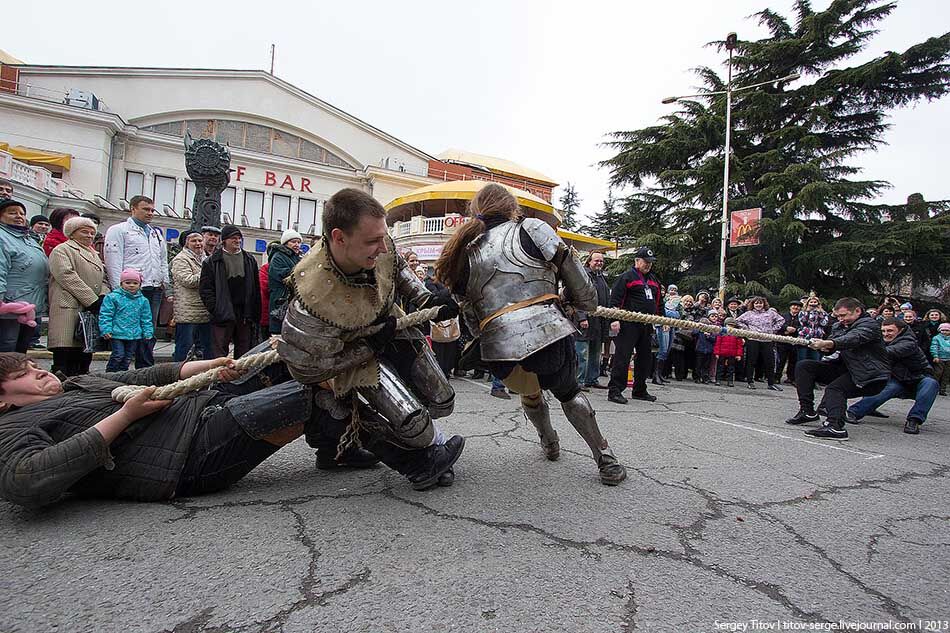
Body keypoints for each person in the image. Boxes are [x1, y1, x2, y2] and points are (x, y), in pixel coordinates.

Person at [0, 352, 461, 507]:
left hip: (201, 410)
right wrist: (124, 417)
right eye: (23, 371)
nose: (38, 370)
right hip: (185, 455)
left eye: (33, 364)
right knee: (318, 390)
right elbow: (27, 481)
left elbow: (148, 376)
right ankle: (418, 462)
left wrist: (214, 365)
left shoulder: (77, 383)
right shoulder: (15, 426)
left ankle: (334, 449)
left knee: (293, 356)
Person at [434, 183, 626, 485]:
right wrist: (581, 305)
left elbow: (470, 316)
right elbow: (577, 278)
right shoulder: (533, 228)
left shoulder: (465, 252)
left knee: (530, 391)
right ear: (512, 207)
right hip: (547, 331)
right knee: (569, 393)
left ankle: (548, 441)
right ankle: (606, 459)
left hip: (499, 346)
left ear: (477, 211)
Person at [275, 188, 464, 487]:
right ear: (339, 237)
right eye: (372, 241)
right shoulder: (310, 298)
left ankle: (352, 450)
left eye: (382, 238)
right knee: (413, 422)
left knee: (442, 398)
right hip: (351, 356)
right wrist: (367, 348)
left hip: (394, 328)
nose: (384, 248)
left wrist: (426, 301)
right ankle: (426, 452)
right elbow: (307, 371)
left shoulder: (381, 244)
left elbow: (397, 269)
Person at [785, 297, 889, 440]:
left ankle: (835, 427)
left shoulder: (870, 325)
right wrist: (822, 346)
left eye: (844, 315)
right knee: (805, 366)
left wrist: (829, 343)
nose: (841, 319)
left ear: (857, 311)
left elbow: (853, 338)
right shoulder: (839, 326)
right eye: (838, 316)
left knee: (835, 389)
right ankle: (807, 412)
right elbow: (832, 348)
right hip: (847, 369)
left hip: (870, 375)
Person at [103, 196, 169, 368]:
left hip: (153, 288)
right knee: (125, 331)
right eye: (145, 209)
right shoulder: (119, 230)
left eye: (152, 210)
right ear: (133, 208)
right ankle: (119, 367)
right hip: (130, 290)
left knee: (148, 330)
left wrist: (165, 284)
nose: (150, 213)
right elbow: (113, 260)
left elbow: (163, 260)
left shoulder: (156, 234)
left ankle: (145, 367)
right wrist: (118, 289)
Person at [846, 318, 939, 434]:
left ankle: (914, 420)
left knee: (931, 384)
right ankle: (854, 412)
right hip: (897, 380)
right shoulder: (879, 341)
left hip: (918, 378)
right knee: (890, 388)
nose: (886, 334)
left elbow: (888, 352)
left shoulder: (909, 342)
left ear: (901, 330)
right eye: (883, 331)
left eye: (890, 331)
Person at [47, 216, 107, 376]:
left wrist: (102, 295)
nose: (89, 236)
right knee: (65, 351)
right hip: (69, 306)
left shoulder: (94, 254)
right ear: (72, 233)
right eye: (84, 232)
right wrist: (91, 300)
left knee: (84, 351)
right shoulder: (62, 250)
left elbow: (103, 278)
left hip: (89, 309)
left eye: (92, 233)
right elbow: (67, 276)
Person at [607, 246, 662, 404]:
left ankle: (639, 390)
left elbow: (659, 302)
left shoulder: (653, 280)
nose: (648, 265)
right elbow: (615, 300)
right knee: (622, 357)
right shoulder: (627, 277)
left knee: (645, 358)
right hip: (628, 323)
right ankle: (615, 390)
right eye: (646, 262)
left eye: (650, 262)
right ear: (637, 261)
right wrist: (614, 319)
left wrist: (662, 320)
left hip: (646, 324)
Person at [199, 225, 261, 359]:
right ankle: (218, 376)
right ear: (224, 240)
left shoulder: (249, 259)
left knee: (245, 349)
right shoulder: (212, 261)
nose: (237, 241)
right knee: (219, 349)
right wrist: (215, 308)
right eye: (233, 238)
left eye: (239, 238)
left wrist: (255, 312)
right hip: (223, 311)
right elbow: (205, 289)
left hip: (244, 312)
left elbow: (256, 288)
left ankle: (242, 377)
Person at [0, 200, 48, 353]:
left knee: (20, 351)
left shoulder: (28, 239)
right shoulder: (2, 238)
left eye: (22, 213)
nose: (18, 216)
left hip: (29, 306)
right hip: (8, 306)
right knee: (7, 351)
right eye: (12, 212)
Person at [100, 269, 154, 372]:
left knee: (128, 358)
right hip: (117, 333)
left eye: (135, 283)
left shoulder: (143, 300)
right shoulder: (113, 298)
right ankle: (110, 373)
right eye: (128, 282)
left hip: (134, 334)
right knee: (118, 355)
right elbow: (106, 314)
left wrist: (148, 332)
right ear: (121, 283)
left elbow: (146, 318)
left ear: (140, 284)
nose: (131, 285)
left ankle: (122, 374)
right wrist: (106, 329)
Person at [170, 230, 212, 362]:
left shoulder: (206, 258)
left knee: (207, 346)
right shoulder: (180, 259)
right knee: (184, 346)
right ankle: (177, 374)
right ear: (186, 243)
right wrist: (209, 275)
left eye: (200, 240)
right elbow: (188, 280)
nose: (198, 243)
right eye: (193, 241)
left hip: (204, 309)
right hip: (187, 310)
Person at [573, 251, 610, 390]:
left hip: (598, 322)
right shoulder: (583, 275)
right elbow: (577, 296)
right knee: (582, 353)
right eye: (596, 261)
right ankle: (579, 380)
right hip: (585, 320)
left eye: (601, 261)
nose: (599, 263)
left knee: (595, 353)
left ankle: (592, 379)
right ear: (589, 261)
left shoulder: (601, 277)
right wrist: (582, 317)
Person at [736, 296, 785, 391]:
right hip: (753, 339)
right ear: (753, 304)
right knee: (751, 361)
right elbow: (738, 321)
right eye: (756, 303)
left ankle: (771, 383)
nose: (758, 305)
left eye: (760, 303)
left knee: (769, 362)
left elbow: (781, 320)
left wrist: (773, 330)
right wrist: (747, 330)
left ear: (764, 304)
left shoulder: (770, 313)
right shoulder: (749, 313)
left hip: (767, 340)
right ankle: (750, 381)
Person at [267, 229, 303, 335]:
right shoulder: (278, 257)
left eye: (298, 242)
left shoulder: (297, 258)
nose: (296, 244)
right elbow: (284, 275)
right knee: (279, 334)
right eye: (293, 242)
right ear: (286, 243)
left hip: (293, 301)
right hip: (281, 301)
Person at [776, 299, 803, 384]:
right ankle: (777, 377)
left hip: (795, 342)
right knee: (781, 360)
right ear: (790, 307)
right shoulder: (783, 316)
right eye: (793, 306)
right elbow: (778, 325)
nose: (795, 307)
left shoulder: (802, 317)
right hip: (783, 342)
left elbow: (804, 327)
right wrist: (786, 328)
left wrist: (795, 330)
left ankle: (791, 378)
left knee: (793, 361)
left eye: (798, 306)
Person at [713, 317, 744, 386]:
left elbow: (739, 345)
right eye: (729, 325)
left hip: (732, 354)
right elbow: (717, 343)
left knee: (731, 368)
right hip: (722, 353)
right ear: (725, 325)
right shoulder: (722, 332)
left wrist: (738, 354)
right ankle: (718, 379)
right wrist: (717, 353)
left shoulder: (737, 334)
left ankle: (730, 381)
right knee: (720, 367)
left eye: (732, 325)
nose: (730, 326)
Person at [932, 322, 950, 396]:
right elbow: (934, 347)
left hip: (948, 359)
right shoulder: (936, 338)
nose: (944, 332)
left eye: (947, 330)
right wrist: (935, 356)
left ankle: (943, 389)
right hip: (940, 358)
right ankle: (933, 388)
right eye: (943, 330)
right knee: (938, 373)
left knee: (946, 375)